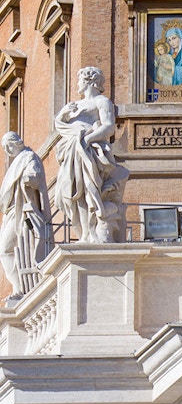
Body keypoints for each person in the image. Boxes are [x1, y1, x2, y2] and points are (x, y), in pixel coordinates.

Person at [54, 66, 129, 243]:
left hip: (89, 152)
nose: (78, 83)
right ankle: (84, 233)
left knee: (88, 189)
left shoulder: (101, 102)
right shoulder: (74, 105)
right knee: (70, 192)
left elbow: (108, 126)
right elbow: (60, 126)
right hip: (72, 151)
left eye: (80, 79)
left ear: (89, 81)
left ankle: (91, 233)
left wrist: (87, 139)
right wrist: (63, 115)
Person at [0, 132, 52, 295]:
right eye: (4, 148)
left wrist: (27, 179)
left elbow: (35, 176)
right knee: (5, 251)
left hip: (24, 211)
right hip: (12, 212)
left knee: (19, 248)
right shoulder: (17, 162)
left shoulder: (30, 156)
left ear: (16, 143)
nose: (7, 150)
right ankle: (18, 286)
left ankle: (23, 287)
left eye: (8, 146)